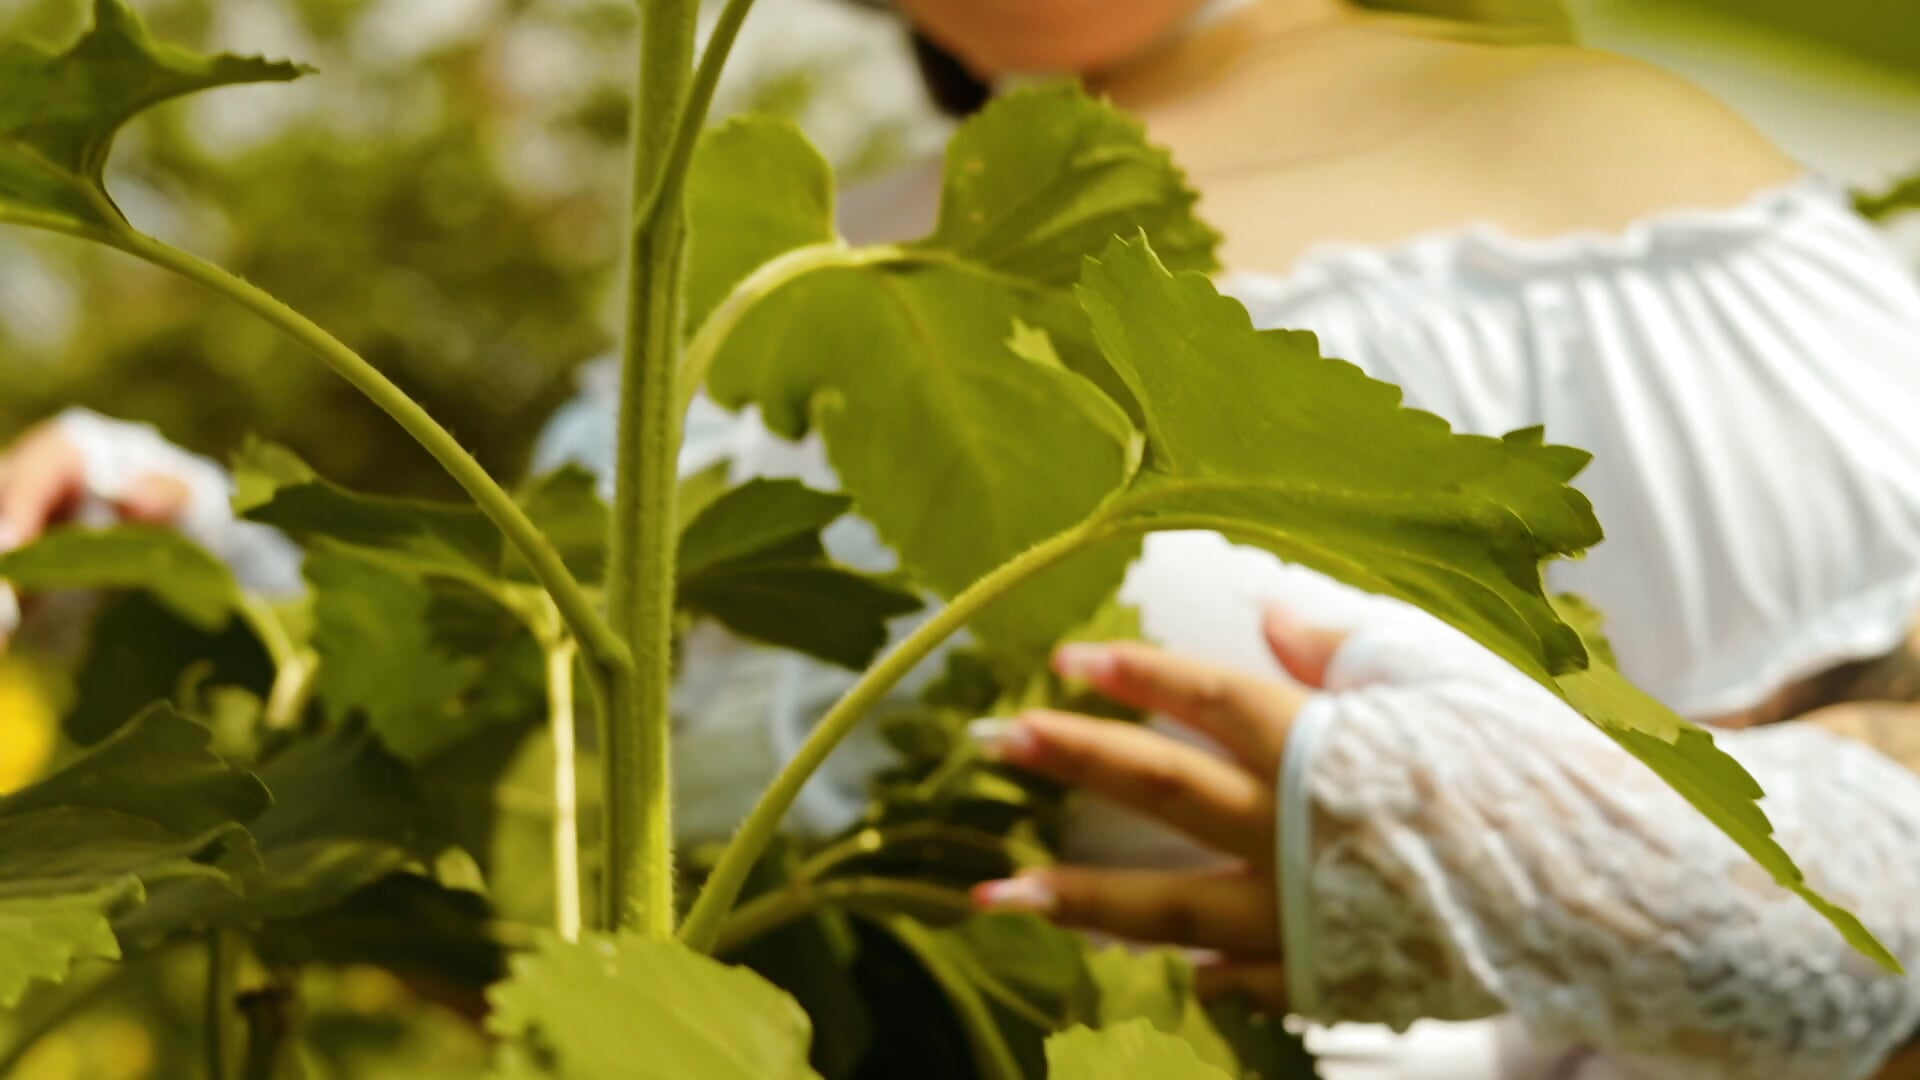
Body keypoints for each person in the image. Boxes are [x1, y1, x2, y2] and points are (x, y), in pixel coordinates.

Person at [6, 0, 1920, 1074]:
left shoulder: (1586, 163)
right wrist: (205, 579)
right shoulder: (757, 254)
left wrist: (1614, 874)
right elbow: (580, 813)